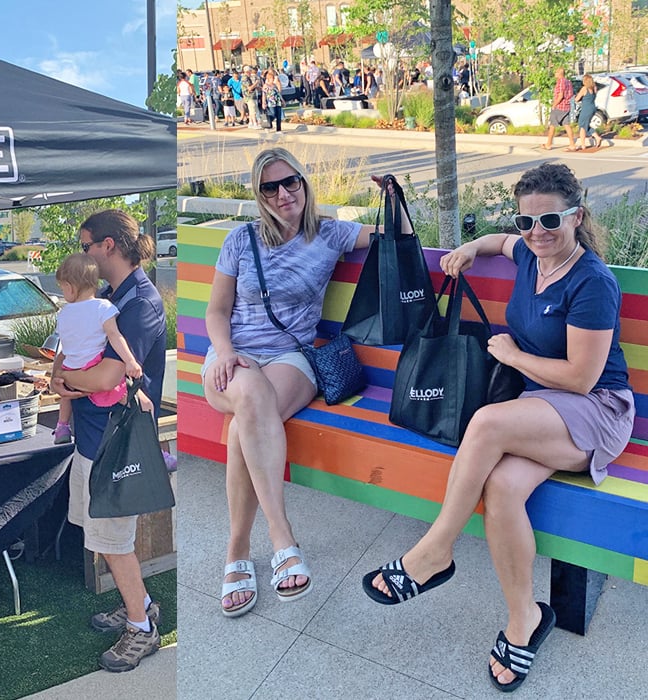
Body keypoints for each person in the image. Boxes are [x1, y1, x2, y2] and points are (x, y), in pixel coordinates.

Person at [362, 162, 634, 693]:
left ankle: (435, 551)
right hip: (540, 406)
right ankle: (524, 619)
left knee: (485, 423)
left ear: (576, 217)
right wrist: (469, 249)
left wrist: (510, 352)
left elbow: (581, 379)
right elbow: (497, 242)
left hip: (596, 410)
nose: (537, 233)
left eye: (550, 220)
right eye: (526, 221)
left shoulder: (592, 282)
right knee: (502, 488)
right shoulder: (532, 256)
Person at [203, 147, 390, 618]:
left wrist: (393, 198)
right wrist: (225, 352)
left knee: (246, 420)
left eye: (292, 182)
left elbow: (394, 236)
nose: (284, 193)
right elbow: (217, 311)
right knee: (247, 398)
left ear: (305, 184)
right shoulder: (241, 240)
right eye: (271, 186)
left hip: (293, 357)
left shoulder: (331, 233)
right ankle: (280, 536)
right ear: (259, 194)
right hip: (233, 357)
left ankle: (237, 551)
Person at [50, 209, 166, 673]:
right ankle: (139, 602)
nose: (82, 255)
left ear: (108, 247)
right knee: (109, 539)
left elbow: (107, 376)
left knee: (114, 542)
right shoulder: (113, 299)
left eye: (85, 245)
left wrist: (65, 383)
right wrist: (68, 380)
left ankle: (142, 629)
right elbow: (73, 367)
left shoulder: (139, 303)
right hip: (94, 442)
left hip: (115, 448)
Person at [51, 252, 143, 445]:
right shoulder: (103, 307)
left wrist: (56, 374)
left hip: (71, 368)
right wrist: (130, 361)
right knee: (134, 400)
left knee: (66, 396)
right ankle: (147, 442)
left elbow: (65, 347)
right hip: (96, 366)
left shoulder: (64, 313)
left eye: (62, 287)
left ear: (70, 287)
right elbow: (115, 336)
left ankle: (62, 426)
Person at [543, 67, 575, 150]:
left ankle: (548, 144)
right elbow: (571, 94)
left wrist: (554, 104)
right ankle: (572, 145)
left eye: (556, 73)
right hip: (567, 106)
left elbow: (561, 95)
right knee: (567, 125)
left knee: (552, 125)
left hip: (559, 107)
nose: (555, 74)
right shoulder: (568, 82)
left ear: (559, 73)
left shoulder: (561, 82)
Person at [573, 74, 604, 151]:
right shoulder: (594, 88)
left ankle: (583, 145)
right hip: (593, 107)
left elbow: (577, 99)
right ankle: (597, 137)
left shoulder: (584, 89)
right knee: (587, 125)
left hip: (586, 109)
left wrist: (576, 97)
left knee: (582, 125)